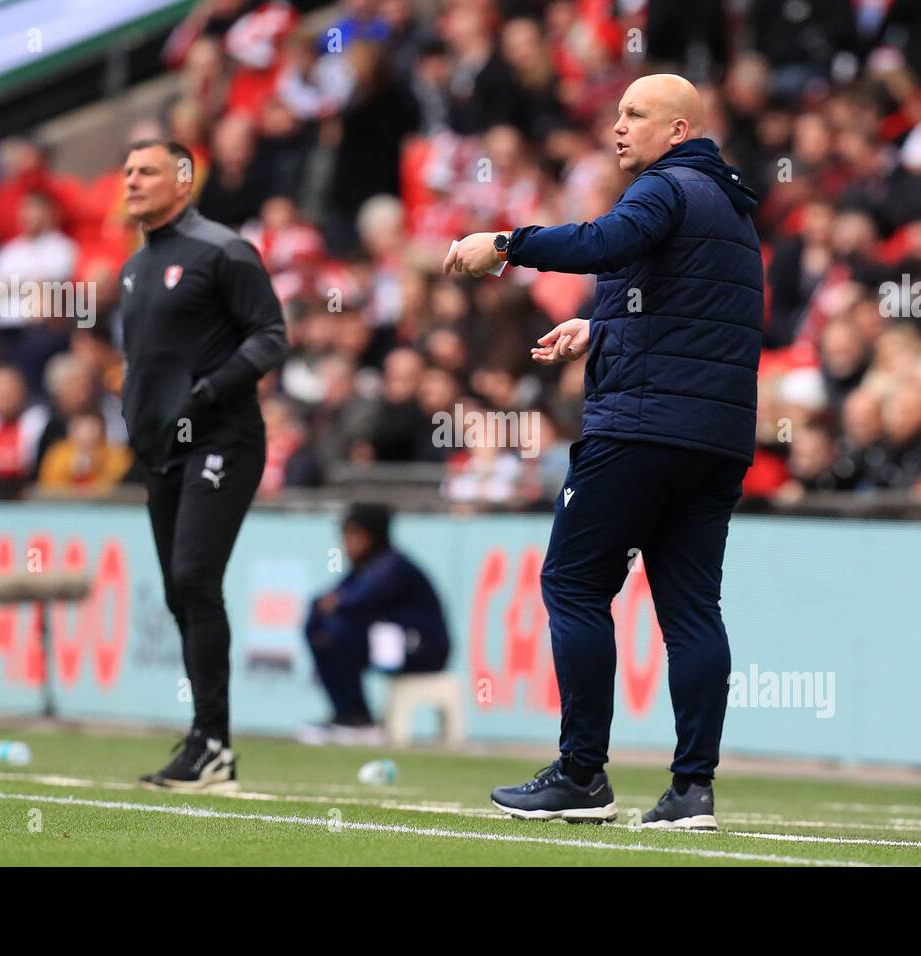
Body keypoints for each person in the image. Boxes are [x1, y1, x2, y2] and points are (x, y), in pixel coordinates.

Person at [445, 74, 762, 829]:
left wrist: (503, 243)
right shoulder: (734, 209)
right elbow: (698, 320)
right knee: (691, 611)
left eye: (635, 115)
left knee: (575, 586)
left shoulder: (666, 187)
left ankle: (582, 775)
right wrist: (605, 328)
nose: (617, 128)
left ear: (679, 129)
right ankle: (692, 791)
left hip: (640, 431)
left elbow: (603, 243)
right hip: (716, 441)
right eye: (617, 113)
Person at [118, 138, 288, 792]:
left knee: (194, 575)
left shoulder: (222, 250)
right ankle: (205, 738)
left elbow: (271, 335)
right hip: (160, 449)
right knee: (177, 590)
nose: (132, 181)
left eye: (147, 171)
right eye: (128, 171)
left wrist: (209, 390)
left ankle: (212, 743)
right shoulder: (135, 269)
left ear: (182, 182)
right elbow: (143, 365)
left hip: (223, 438)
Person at [298, 503, 450, 745]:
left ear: (374, 536)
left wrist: (332, 607)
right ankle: (347, 713)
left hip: (424, 649)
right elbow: (325, 601)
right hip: (391, 645)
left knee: (341, 631)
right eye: (345, 536)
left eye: (355, 535)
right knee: (320, 629)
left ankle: (359, 719)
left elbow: (355, 601)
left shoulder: (394, 566)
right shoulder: (363, 568)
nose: (347, 543)